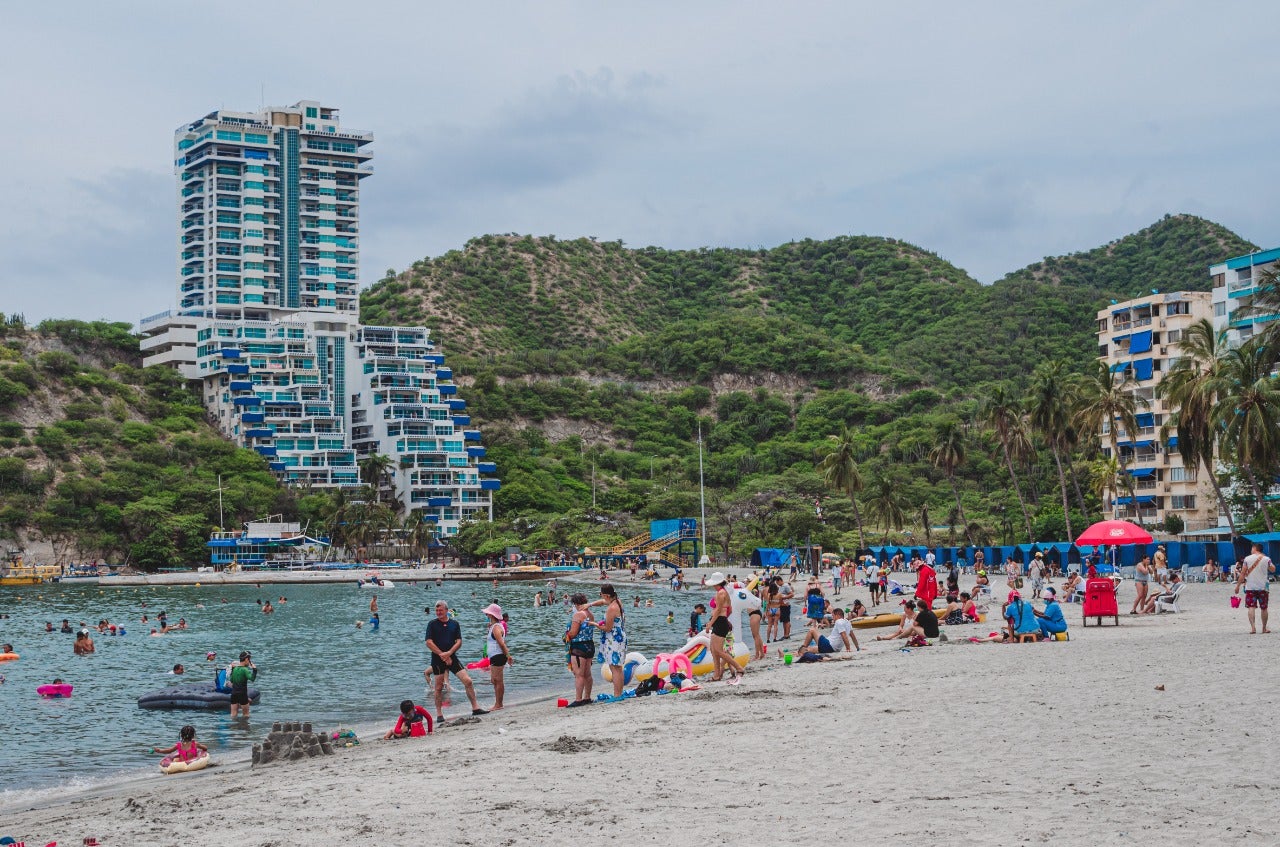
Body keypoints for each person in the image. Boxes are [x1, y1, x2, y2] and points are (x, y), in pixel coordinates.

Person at [425, 601, 486, 721]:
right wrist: (442, 654)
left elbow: (459, 641)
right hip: (437, 659)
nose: (438, 613)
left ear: (447, 610)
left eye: (441, 610)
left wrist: (449, 653)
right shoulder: (432, 624)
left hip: (452, 657)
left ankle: (475, 708)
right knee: (438, 687)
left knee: (468, 681)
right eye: (437, 611)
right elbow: (428, 642)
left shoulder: (454, 624)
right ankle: (439, 714)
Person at [588, 583, 628, 700]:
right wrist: (589, 604)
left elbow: (607, 628)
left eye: (601, 594)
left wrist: (595, 624)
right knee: (618, 667)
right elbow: (602, 602)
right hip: (620, 636)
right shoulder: (617, 601)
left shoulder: (612, 608)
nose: (601, 597)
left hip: (613, 639)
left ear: (606, 595)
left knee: (614, 667)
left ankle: (617, 695)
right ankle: (619, 693)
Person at [704, 573, 743, 684]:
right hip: (720, 621)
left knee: (718, 651)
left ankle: (739, 667)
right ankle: (716, 675)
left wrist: (710, 623)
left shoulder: (721, 593)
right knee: (713, 650)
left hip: (719, 622)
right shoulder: (723, 592)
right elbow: (729, 609)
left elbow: (718, 609)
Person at [563, 593, 596, 707]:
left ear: (576, 604)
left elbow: (573, 632)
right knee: (587, 674)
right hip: (590, 645)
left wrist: (566, 636)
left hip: (579, 646)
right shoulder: (590, 614)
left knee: (579, 674)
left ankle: (578, 699)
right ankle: (587, 697)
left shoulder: (578, 615)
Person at [1236, 543, 1275, 634]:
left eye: (1251, 548)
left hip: (1250, 587)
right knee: (1264, 608)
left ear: (1254, 548)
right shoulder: (1266, 559)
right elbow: (1273, 569)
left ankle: (1253, 628)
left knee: (1251, 607)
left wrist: (1237, 585)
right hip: (1263, 587)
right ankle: (1264, 628)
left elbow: (1242, 573)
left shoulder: (1247, 559)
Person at [482, 603, 512, 711]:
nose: (486, 615)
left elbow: (501, 643)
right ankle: (498, 702)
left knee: (498, 680)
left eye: (488, 614)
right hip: (494, 656)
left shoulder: (496, 628)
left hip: (498, 655)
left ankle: (499, 704)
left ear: (491, 615)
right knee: (494, 680)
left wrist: (508, 656)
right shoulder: (494, 627)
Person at [228, 651, 257, 717]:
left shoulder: (235, 669)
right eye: (249, 660)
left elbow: (231, 680)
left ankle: (234, 726)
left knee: (233, 714)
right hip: (242, 694)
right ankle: (244, 727)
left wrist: (232, 668)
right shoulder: (245, 669)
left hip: (234, 693)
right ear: (246, 659)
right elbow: (252, 679)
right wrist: (255, 669)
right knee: (246, 714)